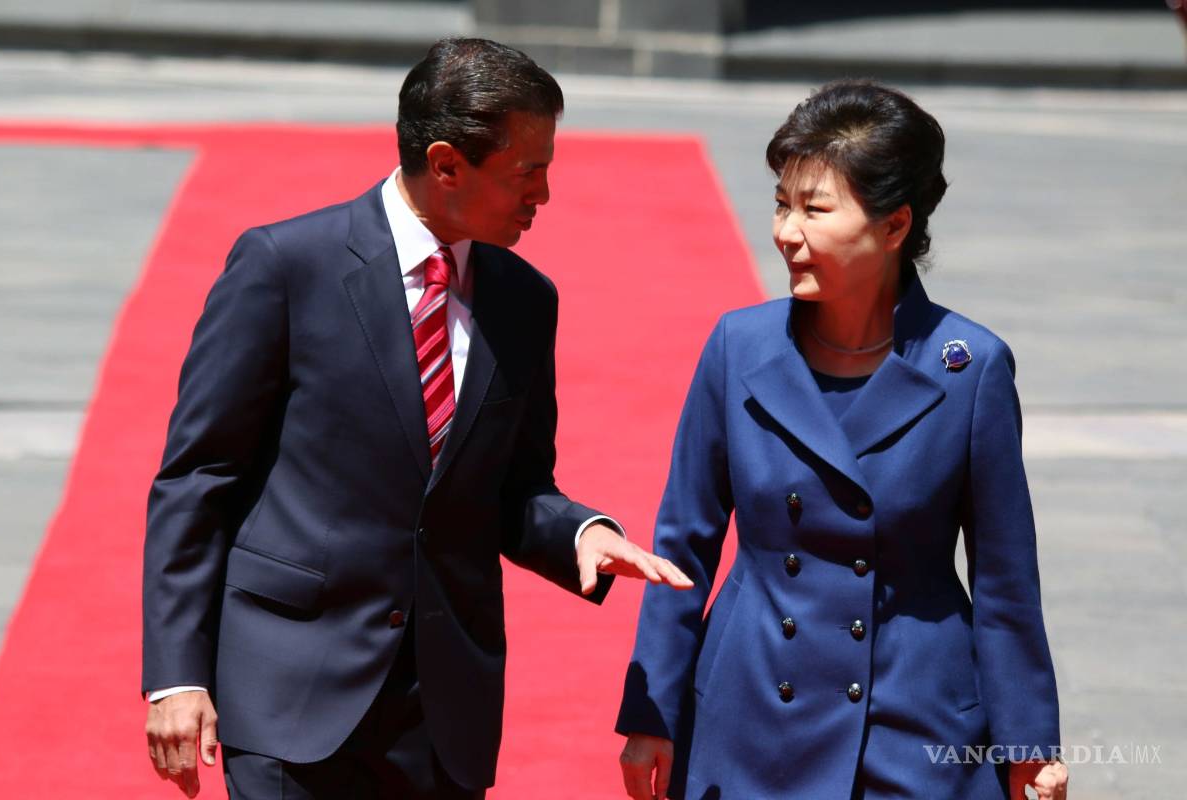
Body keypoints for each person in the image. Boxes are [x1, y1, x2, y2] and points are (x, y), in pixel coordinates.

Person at [142, 37, 692, 800]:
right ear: (445, 165)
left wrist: (580, 532)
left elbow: (515, 488)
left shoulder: (527, 301)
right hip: (286, 698)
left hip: (440, 717)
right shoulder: (285, 266)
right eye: (527, 172)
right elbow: (200, 477)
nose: (543, 195)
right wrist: (175, 676)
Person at [615, 80, 1068, 800]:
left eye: (815, 209)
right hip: (753, 713)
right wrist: (652, 713)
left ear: (894, 227)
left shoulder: (970, 368)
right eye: (780, 204)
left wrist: (1028, 745)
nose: (786, 232)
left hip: (911, 725)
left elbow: (1005, 580)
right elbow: (683, 546)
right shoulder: (739, 346)